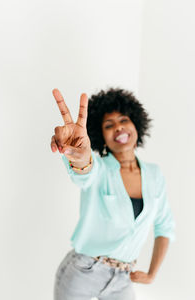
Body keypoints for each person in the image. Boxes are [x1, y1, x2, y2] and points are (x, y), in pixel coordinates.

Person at [50, 88, 176, 300]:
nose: (118, 127)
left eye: (123, 120)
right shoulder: (100, 168)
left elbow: (165, 225)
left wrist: (152, 273)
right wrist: (79, 156)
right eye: (109, 125)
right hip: (83, 272)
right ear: (102, 137)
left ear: (136, 125)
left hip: (123, 278)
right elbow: (85, 172)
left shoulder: (154, 175)